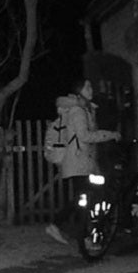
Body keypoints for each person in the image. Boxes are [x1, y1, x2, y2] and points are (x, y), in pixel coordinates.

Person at [45, 78, 120, 245]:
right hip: (78, 162)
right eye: (87, 87)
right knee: (88, 196)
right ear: (79, 90)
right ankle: (68, 229)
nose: (91, 89)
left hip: (83, 162)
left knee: (85, 198)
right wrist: (110, 135)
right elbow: (84, 136)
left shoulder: (85, 109)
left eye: (91, 86)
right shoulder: (78, 111)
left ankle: (81, 234)